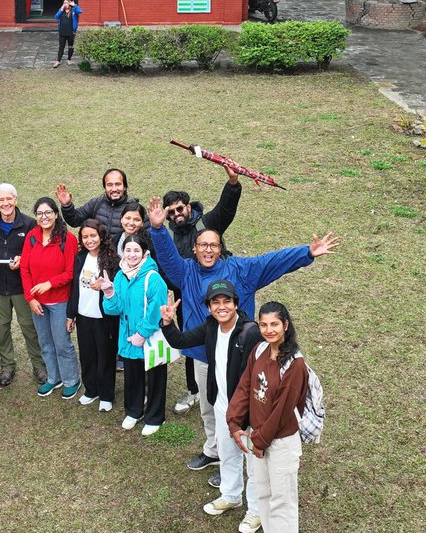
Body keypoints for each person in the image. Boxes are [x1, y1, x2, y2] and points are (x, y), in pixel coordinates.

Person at [146, 197, 339, 478]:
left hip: (238, 359)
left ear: (221, 248)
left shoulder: (242, 270)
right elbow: (167, 257)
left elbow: (274, 261)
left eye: (213, 245)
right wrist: (158, 229)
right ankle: (213, 451)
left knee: (238, 412)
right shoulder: (185, 271)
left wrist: (307, 253)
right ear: (195, 249)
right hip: (202, 355)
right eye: (203, 245)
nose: (208, 250)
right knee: (209, 408)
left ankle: (236, 460)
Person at [160, 280, 264, 533]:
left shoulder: (250, 333)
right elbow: (180, 341)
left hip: (248, 412)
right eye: (215, 302)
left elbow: (260, 378)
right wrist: (167, 322)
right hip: (221, 405)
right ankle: (230, 495)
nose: (221, 307)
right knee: (227, 453)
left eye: (226, 301)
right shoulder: (210, 327)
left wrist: (247, 415)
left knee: (254, 462)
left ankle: (257, 511)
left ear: (236, 304)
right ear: (209, 307)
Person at [228, 301, 309, 533]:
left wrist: (260, 442)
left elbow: (282, 411)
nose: (268, 329)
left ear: (285, 325)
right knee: (263, 491)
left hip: (280, 442)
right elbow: (246, 387)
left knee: (282, 499)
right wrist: (235, 422)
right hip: (258, 438)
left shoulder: (295, 365)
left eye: (274, 324)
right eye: (263, 324)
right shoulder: (260, 349)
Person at [163, 166, 243, 421]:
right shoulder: (172, 236)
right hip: (187, 300)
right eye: (172, 211)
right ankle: (194, 389)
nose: (177, 214)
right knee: (190, 342)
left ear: (188, 207)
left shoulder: (207, 223)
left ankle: (229, 390)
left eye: (180, 208)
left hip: (218, 297)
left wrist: (232, 184)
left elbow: (226, 210)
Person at [99, 231, 169, 435]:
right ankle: (134, 411)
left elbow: (157, 307)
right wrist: (109, 292)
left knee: (155, 377)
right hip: (128, 338)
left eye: (136, 250)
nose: (131, 254)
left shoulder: (152, 278)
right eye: (128, 250)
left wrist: (142, 333)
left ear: (145, 253)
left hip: (148, 339)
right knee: (132, 376)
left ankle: (155, 417)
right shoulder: (120, 275)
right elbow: (115, 309)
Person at [0, 183, 45, 387]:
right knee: (1, 328)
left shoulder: (29, 224)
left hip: (23, 287)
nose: (5, 203)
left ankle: (39, 366)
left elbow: (39, 251)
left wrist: (23, 259)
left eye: (9, 199)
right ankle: (7, 366)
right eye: (1, 200)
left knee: (30, 328)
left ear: (16, 200)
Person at [20, 197, 80, 398]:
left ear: (56, 214)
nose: (43, 217)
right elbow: (25, 269)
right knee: (45, 343)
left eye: (48, 213)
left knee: (62, 343)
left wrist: (49, 284)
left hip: (60, 301)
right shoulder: (31, 237)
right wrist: (30, 298)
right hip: (38, 303)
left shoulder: (67, 239)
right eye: (39, 213)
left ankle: (71, 379)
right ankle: (54, 378)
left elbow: (71, 272)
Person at [66, 219, 120, 411]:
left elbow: (118, 288)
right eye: (85, 236)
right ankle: (91, 390)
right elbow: (74, 287)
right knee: (87, 355)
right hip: (83, 315)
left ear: (101, 236)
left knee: (105, 356)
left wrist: (106, 286)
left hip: (103, 317)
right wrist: (70, 314)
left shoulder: (112, 259)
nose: (89, 240)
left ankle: (106, 395)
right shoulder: (80, 257)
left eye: (93, 236)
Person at [56, 169, 135, 239]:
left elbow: (144, 235)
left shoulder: (134, 208)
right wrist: (67, 205)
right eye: (109, 185)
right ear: (105, 188)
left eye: (118, 184)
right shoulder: (96, 203)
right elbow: (75, 220)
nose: (114, 189)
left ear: (124, 187)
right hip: (100, 254)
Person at [53, 0, 82, 67]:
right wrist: (61, 9)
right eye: (64, 3)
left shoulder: (74, 10)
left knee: (70, 46)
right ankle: (58, 61)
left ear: (69, 3)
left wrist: (74, 5)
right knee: (61, 47)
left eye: (66, 3)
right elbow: (56, 17)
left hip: (71, 32)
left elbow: (80, 11)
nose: (65, 4)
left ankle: (69, 60)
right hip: (62, 32)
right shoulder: (61, 10)